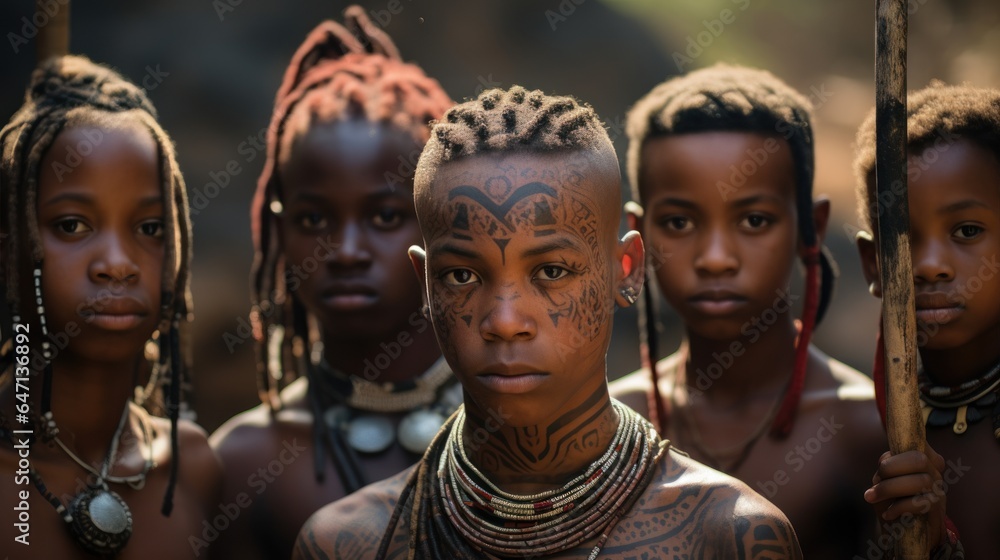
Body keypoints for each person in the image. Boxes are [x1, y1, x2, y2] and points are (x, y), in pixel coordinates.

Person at [293, 85, 802, 559]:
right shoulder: (347, 543)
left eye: (552, 271)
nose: (506, 321)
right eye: (463, 274)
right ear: (425, 284)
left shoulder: (729, 537)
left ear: (625, 270)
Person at [608, 64, 887, 559]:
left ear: (812, 227)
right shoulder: (605, 431)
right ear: (638, 235)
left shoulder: (872, 430)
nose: (716, 257)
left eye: (754, 220)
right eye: (678, 221)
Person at [208, 7, 454, 559]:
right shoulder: (246, 461)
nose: (344, 251)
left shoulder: (521, 423)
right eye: (314, 219)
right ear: (276, 230)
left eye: (386, 217)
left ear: (441, 222)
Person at [0, 55, 222, 559]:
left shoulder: (193, 469)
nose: (118, 265)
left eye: (150, 229)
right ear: (9, 252)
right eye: (72, 225)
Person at [856, 82, 1000, 558]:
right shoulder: (864, 435)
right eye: (904, 238)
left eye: (967, 231)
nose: (930, 265)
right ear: (872, 262)